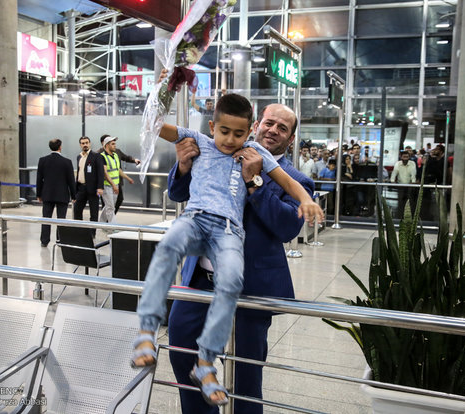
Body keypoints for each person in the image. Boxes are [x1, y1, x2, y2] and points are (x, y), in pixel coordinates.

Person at [132, 94, 322, 407]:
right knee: (181, 350)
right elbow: (179, 192)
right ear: (256, 126)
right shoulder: (211, 147)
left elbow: (288, 228)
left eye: (283, 128)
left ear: (290, 138)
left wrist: (256, 182)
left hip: (251, 287)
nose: (274, 130)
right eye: (269, 122)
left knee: (246, 374)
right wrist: (183, 165)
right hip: (200, 280)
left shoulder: (294, 177)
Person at [36, 138, 76, 247]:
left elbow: (39, 179)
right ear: (60, 147)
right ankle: (60, 240)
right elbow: (71, 180)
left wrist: (39, 194)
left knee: (46, 218)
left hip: (47, 194)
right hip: (62, 195)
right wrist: (74, 195)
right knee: (61, 219)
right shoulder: (67, 162)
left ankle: (44, 240)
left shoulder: (42, 160)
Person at [98, 134, 138, 215]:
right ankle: (110, 224)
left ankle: (104, 223)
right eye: (112, 143)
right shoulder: (100, 154)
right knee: (109, 206)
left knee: (112, 205)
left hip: (116, 183)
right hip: (106, 184)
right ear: (105, 143)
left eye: (114, 143)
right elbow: (104, 172)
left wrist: (134, 161)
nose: (114, 145)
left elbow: (122, 162)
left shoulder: (116, 153)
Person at [73, 136, 104, 223]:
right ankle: (80, 232)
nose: (85, 145)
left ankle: (92, 234)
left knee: (93, 213)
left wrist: (100, 187)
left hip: (93, 189)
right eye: (83, 143)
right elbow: (79, 173)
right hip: (81, 188)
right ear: (80, 145)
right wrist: (74, 191)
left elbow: (100, 173)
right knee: (77, 211)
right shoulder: (79, 157)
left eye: (86, 143)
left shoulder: (96, 156)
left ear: (89, 144)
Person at [390, 151, 417, 218]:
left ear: (409, 157)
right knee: (401, 202)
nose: (405, 158)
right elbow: (394, 173)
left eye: (407, 157)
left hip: (410, 186)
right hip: (400, 186)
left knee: (409, 202)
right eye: (404, 157)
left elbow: (413, 175)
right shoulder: (397, 164)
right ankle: (400, 216)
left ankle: (410, 217)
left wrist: (413, 182)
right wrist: (392, 181)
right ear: (401, 157)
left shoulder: (412, 163)